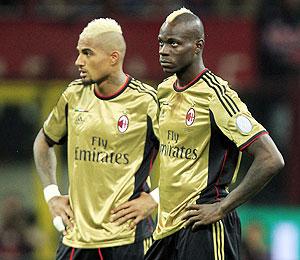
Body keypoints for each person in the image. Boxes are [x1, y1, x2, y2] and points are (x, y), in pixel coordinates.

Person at [113, 7, 285, 259]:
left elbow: (271, 158)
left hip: (203, 226)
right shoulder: (165, 91)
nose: (163, 50)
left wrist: (222, 208)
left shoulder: (217, 95)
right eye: (161, 43)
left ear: (197, 46)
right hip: (166, 228)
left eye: (174, 43)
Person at [33, 18, 159, 260]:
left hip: (129, 239)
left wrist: (155, 199)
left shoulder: (147, 102)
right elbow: (43, 142)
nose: (78, 61)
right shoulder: (74, 95)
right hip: (76, 238)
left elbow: (188, 155)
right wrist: (51, 195)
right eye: (79, 53)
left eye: (87, 53)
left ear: (113, 58)